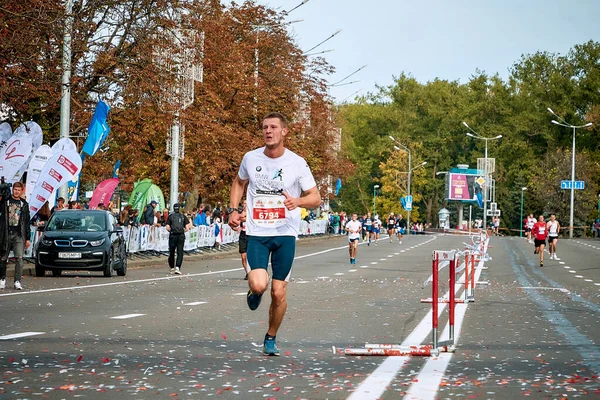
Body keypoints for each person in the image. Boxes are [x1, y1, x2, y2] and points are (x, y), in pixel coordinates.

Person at [228, 112, 321, 356]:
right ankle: (254, 291)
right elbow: (238, 183)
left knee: (278, 292)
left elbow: (316, 197)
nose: (268, 131)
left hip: (285, 234)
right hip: (257, 232)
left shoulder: (297, 163)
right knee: (260, 285)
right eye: (264, 127)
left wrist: (298, 201)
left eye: (273, 127)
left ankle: (271, 336)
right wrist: (232, 210)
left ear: (284, 132)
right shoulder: (250, 158)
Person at [0, 182, 31, 290]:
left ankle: (17, 281)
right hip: (6, 233)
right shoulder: (6, 201)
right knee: (3, 257)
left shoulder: (24, 204)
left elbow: (27, 222)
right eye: (15, 189)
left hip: (19, 234)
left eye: (19, 190)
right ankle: (2, 278)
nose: (16, 191)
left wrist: (28, 238)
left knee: (19, 258)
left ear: (22, 191)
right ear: (13, 190)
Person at [166, 203, 191, 275]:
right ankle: (177, 267)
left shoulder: (170, 216)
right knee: (180, 252)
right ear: (179, 208)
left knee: (171, 252)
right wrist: (182, 231)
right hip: (180, 236)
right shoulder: (183, 216)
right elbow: (187, 228)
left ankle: (171, 268)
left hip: (172, 236)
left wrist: (171, 231)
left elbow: (167, 227)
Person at [237, 200, 250, 280]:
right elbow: (238, 220)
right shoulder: (241, 212)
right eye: (244, 203)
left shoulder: (251, 212)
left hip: (250, 234)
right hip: (243, 235)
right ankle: (247, 273)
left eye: (246, 203)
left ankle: (252, 272)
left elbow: (245, 219)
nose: (245, 205)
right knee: (243, 256)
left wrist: (242, 217)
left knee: (250, 256)